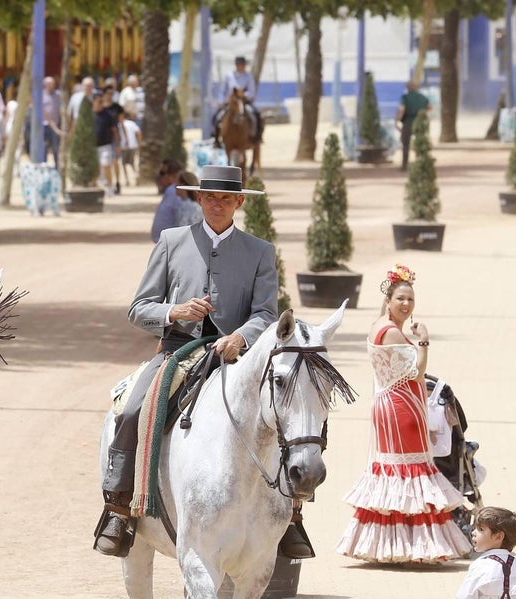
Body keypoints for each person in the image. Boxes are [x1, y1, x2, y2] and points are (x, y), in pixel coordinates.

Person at [94, 166, 313, 561]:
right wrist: (174, 311)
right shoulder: (171, 241)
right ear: (198, 199)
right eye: (210, 197)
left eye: (226, 198)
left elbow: (266, 312)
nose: (217, 204)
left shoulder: (259, 251)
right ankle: (119, 507)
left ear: (240, 203)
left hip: (239, 356)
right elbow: (138, 309)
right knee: (131, 410)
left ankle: (291, 515)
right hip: (177, 351)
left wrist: (241, 337)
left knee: (288, 414)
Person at [336, 264, 473, 563]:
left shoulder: (379, 326)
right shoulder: (392, 333)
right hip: (401, 410)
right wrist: (423, 341)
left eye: (410, 299)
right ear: (388, 300)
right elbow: (416, 372)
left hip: (390, 404)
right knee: (410, 473)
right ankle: (416, 545)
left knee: (394, 472)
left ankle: (392, 543)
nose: (406, 304)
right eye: (401, 298)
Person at [458, 507, 516, 599]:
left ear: (498, 537)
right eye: (474, 528)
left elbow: (465, 596)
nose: (473, 532)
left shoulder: (480, 566)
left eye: (480, 529)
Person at [212, 56, 263, 148]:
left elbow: (252, 91)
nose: (241, 67)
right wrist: (221, 101)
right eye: (239, 65)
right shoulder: (229, 76)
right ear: (236, 65)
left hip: (244, 101)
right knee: (217, 116)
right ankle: (216, 139)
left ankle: (257, 137)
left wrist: (243, 94)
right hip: (230, 101)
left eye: (243, 65)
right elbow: (223, 90)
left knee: (256, 114)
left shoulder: (248, 77)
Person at [397, 81, 431, 171]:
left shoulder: (405, 98)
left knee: (405, 145)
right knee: (420, 144)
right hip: (419, 123)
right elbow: (429, 107)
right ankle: (421, 165)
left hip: (407, 123)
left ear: (408, 88)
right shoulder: (422, 97)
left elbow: (402, 109)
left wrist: (397, 120)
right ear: (416, 88)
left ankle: (404, 166)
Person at [93, 89, 120, 196]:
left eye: (101, 101)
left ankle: (109, 186)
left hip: (105, 146)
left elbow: (114, 130)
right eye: (98, 101)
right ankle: (95, 187)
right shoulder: (90, 114)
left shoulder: (107, 115)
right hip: (93, 147)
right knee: (95, 169)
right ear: (94, 102)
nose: (101, 104)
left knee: (106, 165)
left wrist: (117, 145)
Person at [39, 76, 63, 168]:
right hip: (45, 126)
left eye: (53, 83)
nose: (52, 85)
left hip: (56, 124)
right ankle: (44, 167)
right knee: (44, 147)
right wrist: (53, 125)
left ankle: (57, 167)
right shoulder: (41, 96)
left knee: (55, 148)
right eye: (49, 84)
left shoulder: (58, 95)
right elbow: (43, 112)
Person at [118, 109, 141, 187]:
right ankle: (135, 177)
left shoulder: (120, 124)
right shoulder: (132, 123)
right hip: (132, 146)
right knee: (131, 163)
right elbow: (139, 133)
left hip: (125, 146)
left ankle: (128, 179)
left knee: (124, 164)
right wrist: (138, 144)